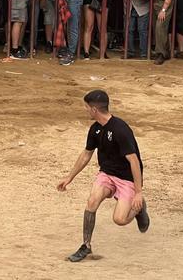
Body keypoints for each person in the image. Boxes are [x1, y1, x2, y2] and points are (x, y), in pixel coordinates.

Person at [57, 90, 149, 263]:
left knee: (120, 219)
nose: (85, 110)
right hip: (107, 174)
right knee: (92, 201)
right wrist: (69, 177)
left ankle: (139, 208)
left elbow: (134, 162)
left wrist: (138, 192)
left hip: (126, 178)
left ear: (94, 110)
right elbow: (86, 154)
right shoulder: (95, 129)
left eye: (86, 107)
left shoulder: (121, 130)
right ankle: (86, 245)